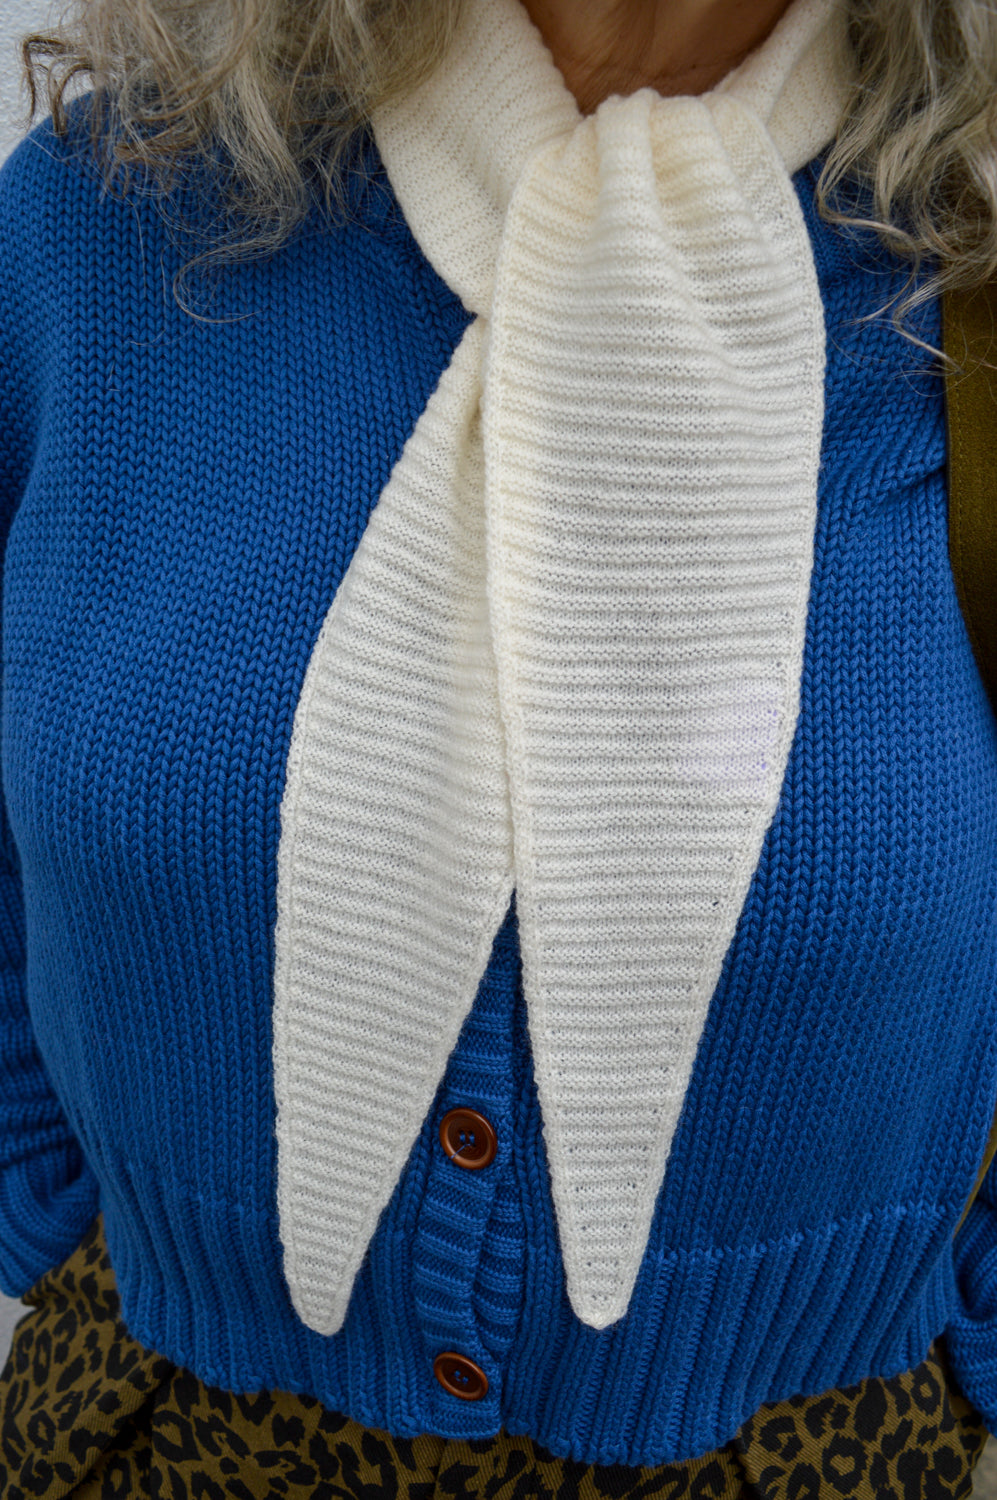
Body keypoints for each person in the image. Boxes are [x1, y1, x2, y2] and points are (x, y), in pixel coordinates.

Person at [0, 0, 996, 1493]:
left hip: (802, 1453)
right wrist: (50, 1190)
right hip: (168, 1424)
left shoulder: (960, 270)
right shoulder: (113, 219)